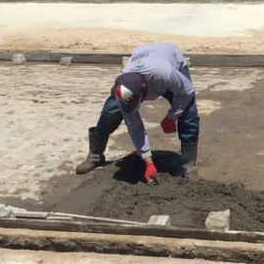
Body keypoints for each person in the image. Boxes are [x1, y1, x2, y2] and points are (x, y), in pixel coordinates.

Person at [76, 42, 200, 181]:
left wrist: (172, 117)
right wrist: (148, 161)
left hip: (170, 59)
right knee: (109, 112)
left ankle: (189, 166)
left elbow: (187, 92)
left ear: (143, 88)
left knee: (189, 114)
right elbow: (135, 127)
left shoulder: (164, 73)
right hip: (143, 55)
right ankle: (95, 155)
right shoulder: (122, 85)